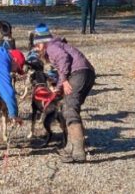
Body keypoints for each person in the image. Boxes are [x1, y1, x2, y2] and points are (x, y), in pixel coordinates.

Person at [30, 24, 95, 164]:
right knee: (68, 107)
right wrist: (59, 87)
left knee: (69, 108)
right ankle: (70, 145)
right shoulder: (56, 44)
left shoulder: (52, 47)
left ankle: (78, 151)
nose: (36, 49)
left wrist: (64, 80)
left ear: (42, 42)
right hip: (85, 73)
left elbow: (64, 59)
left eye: (36, 45)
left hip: (79, 73)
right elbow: (62, 68)